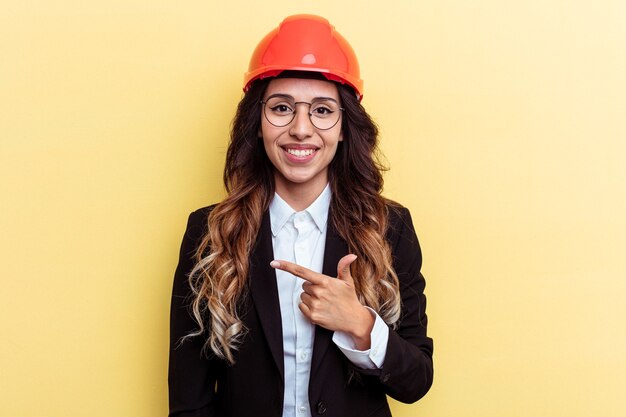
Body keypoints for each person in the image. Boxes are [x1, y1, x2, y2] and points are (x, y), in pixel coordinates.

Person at [168, 14, 433, 417]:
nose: (301, 129)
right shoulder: (209, 232)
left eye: (323, 111)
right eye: (281, 108)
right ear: (257, 123)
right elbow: (190, 399)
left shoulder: (390, 229)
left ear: (344, 127)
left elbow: (416, 382)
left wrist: (359, 324)